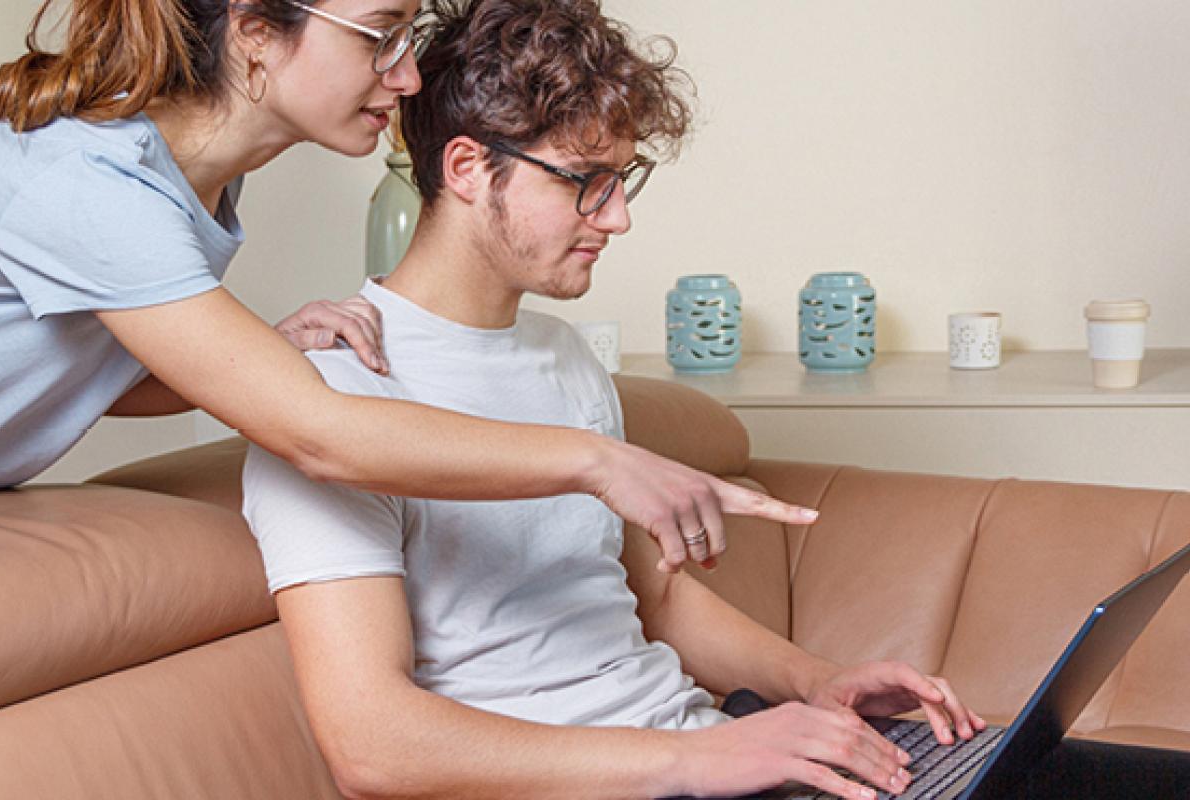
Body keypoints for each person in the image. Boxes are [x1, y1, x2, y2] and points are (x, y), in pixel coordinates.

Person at [241, 2, 987, 798]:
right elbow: (373, 750)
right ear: (465, 169)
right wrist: (700, 761)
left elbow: (654, 595)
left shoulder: (565, 360)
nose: (619, 217)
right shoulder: (332, 395)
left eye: (622, 182)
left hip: (699, 756)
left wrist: (815, 683)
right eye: (586, 183)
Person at [0, 0, 818, 573]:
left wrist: (252, 355)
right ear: (253, 33)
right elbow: (323, 437)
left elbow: (81, 376)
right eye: (378, 35)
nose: (410, 75)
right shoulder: (92, 185)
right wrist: (598, 460)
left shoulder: (190, 186)